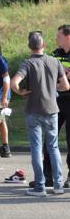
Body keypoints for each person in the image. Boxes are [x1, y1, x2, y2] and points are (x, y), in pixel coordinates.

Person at [11, 31, 70, 197]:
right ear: (43, 45)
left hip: (33, 110)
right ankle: (58, 185)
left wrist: (21, 92)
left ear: (30, 46)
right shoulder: (54, 61)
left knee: (37, 149)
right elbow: (66, 86)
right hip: (52, 110)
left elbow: (14, 82)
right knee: (54, 147)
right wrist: (52, 89)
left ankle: (40, 186)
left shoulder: (27, 63)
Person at [32, 24, 70, 188]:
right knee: (49, 139)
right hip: (56, 101)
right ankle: (48, 176)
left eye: (59, 36)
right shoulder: (56, 54)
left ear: (68, 37)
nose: (56, 39)